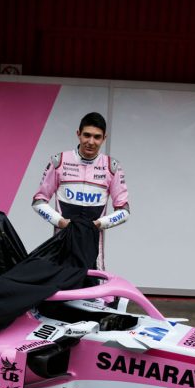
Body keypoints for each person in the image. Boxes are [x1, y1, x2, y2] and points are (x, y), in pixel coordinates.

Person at [31, 112, 130, 270]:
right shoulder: (59, 161)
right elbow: (38, 201)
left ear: (104, 138)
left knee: (92, 292)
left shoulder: (112, 167)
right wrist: (60, 222)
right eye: (87, 135)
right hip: (61, 246)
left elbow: (124, 211)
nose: (91, 142)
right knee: (61, 291)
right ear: (78, 134)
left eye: (97, 137)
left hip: (92, 250)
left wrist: (98, 224)